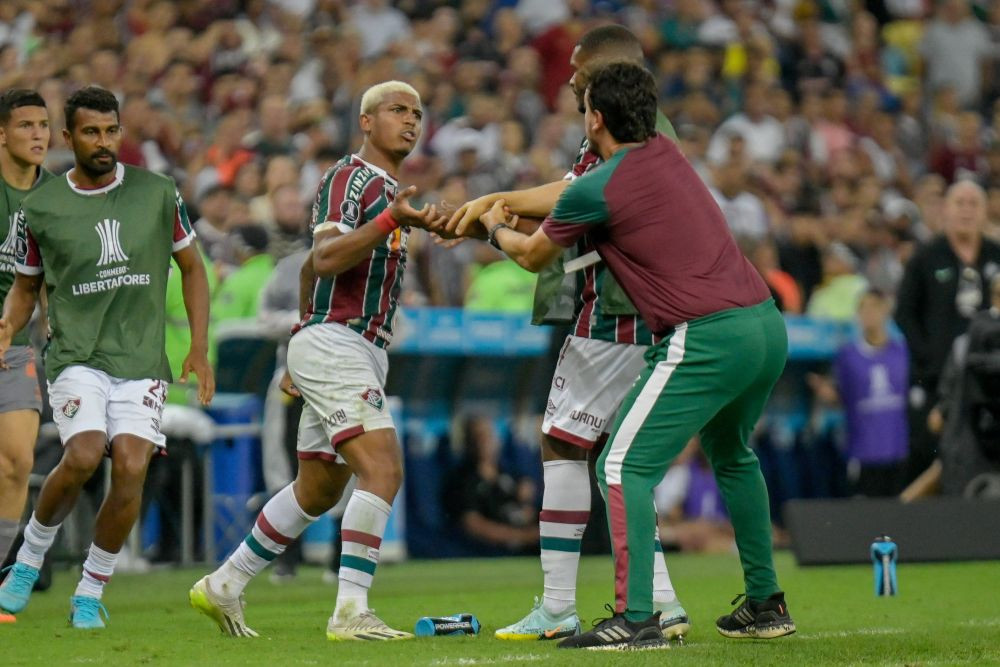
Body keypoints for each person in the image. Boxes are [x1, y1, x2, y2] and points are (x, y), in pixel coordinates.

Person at [471, 61, 794, 650]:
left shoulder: (598, 185)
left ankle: (638, 616)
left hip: (707, 333)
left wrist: (493, 225)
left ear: (595, 117)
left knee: (620, 467)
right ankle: (765, 602)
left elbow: (531, 256)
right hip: (764, 324)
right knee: (733, 457)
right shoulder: (668, 154)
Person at [448, 24, 689, 644]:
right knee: (621, 463)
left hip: (612, 315)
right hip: (642, 314)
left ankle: (559, 604)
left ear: (609, 71)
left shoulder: (621, 130)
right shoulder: (648, 132)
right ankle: (664, 600)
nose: (570, 82)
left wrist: (493, 213)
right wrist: (496, 204)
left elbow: (568, 205)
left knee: (562, 445)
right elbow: (569, 195)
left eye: (579, 72)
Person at [189, 80, 440, 641]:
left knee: (319, 490)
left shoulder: (391, 191)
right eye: (398, 110)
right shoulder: (350, 178)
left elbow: (307, 271)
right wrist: (390, 223)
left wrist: (298, 344)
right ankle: (351, 611)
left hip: (345, 346)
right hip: (340, 342)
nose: (411, 120)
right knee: (383, 470)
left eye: (418, 113)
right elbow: (323, 257)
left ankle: (226, 583)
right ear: (366, 122)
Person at [0, 86, 214, 628]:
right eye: (91, 133)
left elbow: (192, 268)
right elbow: (26, 286)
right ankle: (27, 561)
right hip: (76, 354)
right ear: (68, 137)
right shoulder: (40, 208)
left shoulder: (159, 192)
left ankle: (91, 590)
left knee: (134, 466)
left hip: (141, 357)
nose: (103, 142)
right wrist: (7, 325)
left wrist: (198, 347)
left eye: (111, 130)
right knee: (83, 455)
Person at [895, 180, 1000, 483]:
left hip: (989, 383)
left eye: (973, 203)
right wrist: (928, 359)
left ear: (985, 212)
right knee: (930, 453)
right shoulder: (926, 257)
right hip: (936, 380)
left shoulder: (995, 255)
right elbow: (904, 314)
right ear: (945, 211)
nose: (967, 210)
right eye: (960, 203)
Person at [0, 89, 53, 624]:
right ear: (1, 133)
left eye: (43, 125)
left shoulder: (56, 199)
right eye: (25, 126)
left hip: (14, 349)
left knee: (17, 462)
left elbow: (49, 282)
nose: (38, 135)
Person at [810, 289, 909, 496]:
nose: (868, 314)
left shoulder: (902, 351)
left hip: (898, 448)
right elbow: (842, 397)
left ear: (886, 311)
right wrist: (828, 395)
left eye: (874, 307)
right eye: (863, 308)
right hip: (863, 450)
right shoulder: (847, 356)